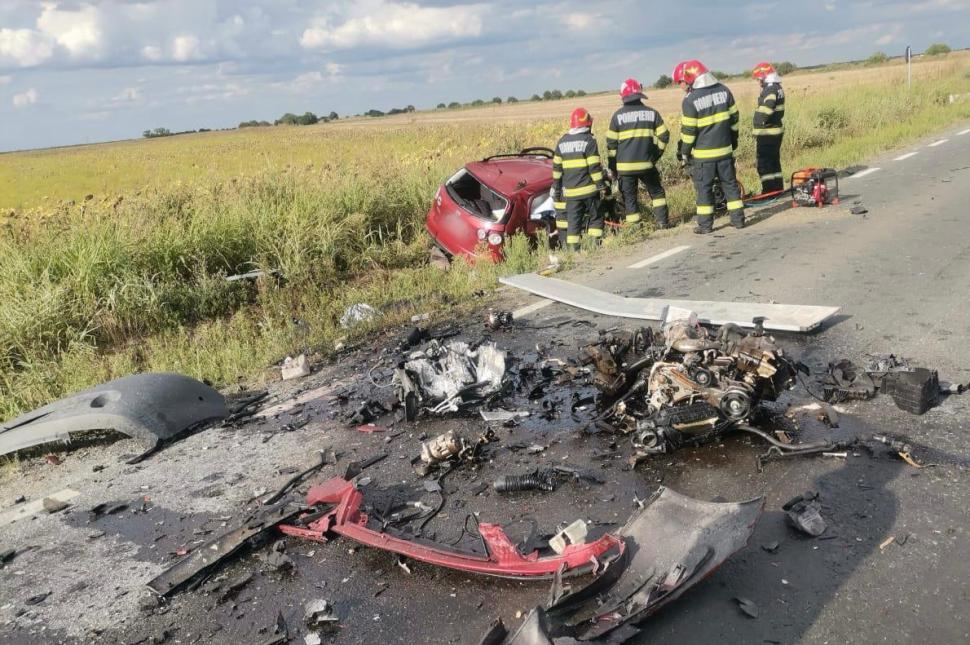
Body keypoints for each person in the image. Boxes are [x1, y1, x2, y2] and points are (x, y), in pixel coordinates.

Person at [673, 59, 745, 233]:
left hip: (704, 156)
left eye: (681, 82)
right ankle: (739, 221)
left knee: (704, 189)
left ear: (690, 78)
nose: (680, 86)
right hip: (725, 151)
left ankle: (705, 225)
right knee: (730, 185)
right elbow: (734, 119)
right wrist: (733, 141)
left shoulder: (690, 100)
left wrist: (684, 153)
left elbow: (688, 132)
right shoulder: (725, 90)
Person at [605, 78, 671, 229]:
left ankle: (635, 229)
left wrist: (613, 168)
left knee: (629, 198)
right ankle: (663, 223)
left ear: (623, 96)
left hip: (625, 168)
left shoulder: (617, 116)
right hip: (647, 164)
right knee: (657, 193)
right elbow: (664, 136)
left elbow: (611, 146)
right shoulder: (652, 113)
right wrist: (655, 154)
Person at [551, 108, 606, 251]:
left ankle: (573, 251)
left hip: (571, 194)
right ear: (587, 124)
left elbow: (557, 171)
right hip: (589, 191)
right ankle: (595, 246)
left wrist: (556, 189)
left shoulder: (561, 142)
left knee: (573, 223)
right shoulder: (589, 141)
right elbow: (594, 167)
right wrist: (601, 186)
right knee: (596, 217)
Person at [752, 62, 786, 193]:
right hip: (776, 131)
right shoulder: (778, 87)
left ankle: (768, 191)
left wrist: (757, 122)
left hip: (767, 132)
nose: (758, 82)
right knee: (774, 163)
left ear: (765, 77)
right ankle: (777, 189)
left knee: (764, 164)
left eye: (759, 79)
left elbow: (768, 106)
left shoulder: (770, 89)